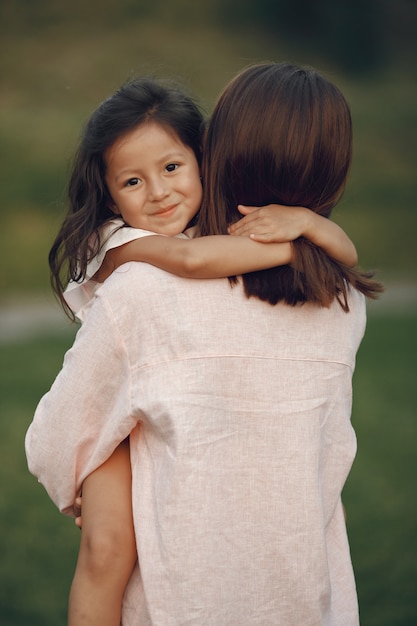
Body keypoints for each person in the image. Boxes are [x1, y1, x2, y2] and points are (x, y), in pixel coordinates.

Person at [25, 62, 382, 626]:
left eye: (172, 167)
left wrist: (309, 233)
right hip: (307, 598)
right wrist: (308, 241)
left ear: (209, 154)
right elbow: (194, 260)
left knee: (105, 548)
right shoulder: (341, 301)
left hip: (175, 581)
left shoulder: (147, 291)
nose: (159, 190)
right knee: (106, 549)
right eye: (133, 181)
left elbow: (56, 443)